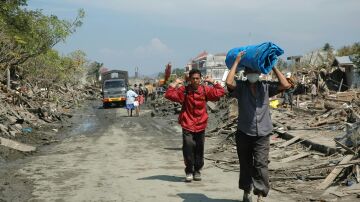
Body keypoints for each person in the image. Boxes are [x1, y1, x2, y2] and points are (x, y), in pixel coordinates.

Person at [226, 51, 291, 202]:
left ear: (260, 73)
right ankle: (246, 190)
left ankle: (260, 193)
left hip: (263, 133)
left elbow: (285, 84)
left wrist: (273, 67)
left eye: (255, 71)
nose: (253, 74)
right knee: (245, 164)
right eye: (250, 71)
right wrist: (236, 62)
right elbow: (229, 83)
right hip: (244, 132)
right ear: (246, 73)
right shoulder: (241, 87)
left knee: (261, 164)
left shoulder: (267, 87)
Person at [165, 69, 225, 182]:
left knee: (199, 149)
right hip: (187, 123)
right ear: (190, 79)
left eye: (197, 78)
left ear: (200, 79)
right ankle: (189, 171)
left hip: (201, 124)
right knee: (188, 147)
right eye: (193, 78)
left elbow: (220, 92)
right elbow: (169, 94)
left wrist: (213, 82)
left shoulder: (205, 90)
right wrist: (175, 83)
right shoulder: (185, 90)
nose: (195, 80)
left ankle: (197, 170)